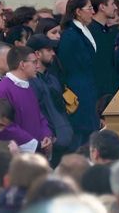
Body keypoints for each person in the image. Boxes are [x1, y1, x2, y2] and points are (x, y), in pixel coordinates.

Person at [0, 46, 52, 153]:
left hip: (36, 150)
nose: (38, 66)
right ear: (22, 64)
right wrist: (33, 143)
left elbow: (38, 115)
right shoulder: (2, 89)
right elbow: (0, 123)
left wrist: (46, 134)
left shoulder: (28, 87)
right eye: (34, 62)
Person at [58, 0, 100, 149]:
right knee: (81, 132)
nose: (92, 12)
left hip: (88, 86)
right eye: (89, 8)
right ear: (78, 11)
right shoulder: (70, 35)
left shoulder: (83, 31)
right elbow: (67, 63)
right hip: (78, 89)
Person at [27, 34, 73, 166]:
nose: (53, 53)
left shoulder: (52, 78)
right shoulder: (31, 82)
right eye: (48, 50)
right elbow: (38, 112)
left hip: (64, 139)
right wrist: (48, 134)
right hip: (49, 143)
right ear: (37, 54)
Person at [88, 0, 119, 97]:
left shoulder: (107, 31)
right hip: (97, 93)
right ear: (102, 7)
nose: (115, 7)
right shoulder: (90, 32)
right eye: (112, 4)